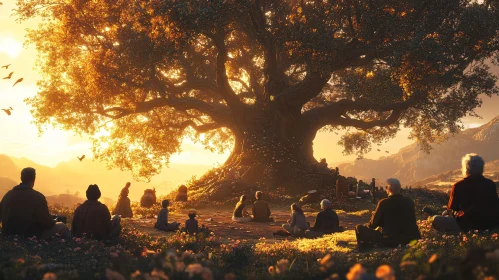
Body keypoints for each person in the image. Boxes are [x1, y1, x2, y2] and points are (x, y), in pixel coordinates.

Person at [431, 154, 499, 232]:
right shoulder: (490, 184)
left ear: (466, 169)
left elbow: (451, 210)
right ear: (481, 169)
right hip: (490, 224)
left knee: (436, 219)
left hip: (466, 225)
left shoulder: (458, 186)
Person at [0, 167, 70, 239]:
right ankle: (68, 247)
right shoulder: (37, 197)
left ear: (21, 178)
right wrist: (54, 220)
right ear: (33, 180)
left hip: (7, 235)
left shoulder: (8, 195)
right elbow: (47, 223)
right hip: (30, 236)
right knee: (62, 226)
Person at [355, 178, 420, 250]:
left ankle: (363, 248)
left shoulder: (383, 203)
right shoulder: (409, 201)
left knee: (358, 228)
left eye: (386, 187)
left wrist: (369, 223)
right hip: (409, 239)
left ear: (388, 189)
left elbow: (373, 225)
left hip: (389, 240)